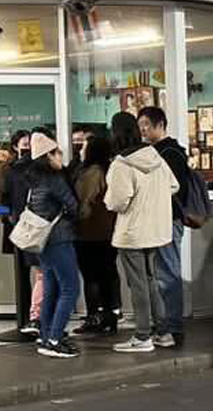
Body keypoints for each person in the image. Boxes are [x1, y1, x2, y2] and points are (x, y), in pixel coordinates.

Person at [105, 112, 179, 353]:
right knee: (151, 282)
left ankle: (142, 335)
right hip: (156, 231)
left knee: (138, 285)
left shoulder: (121, 163)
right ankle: (163, 332)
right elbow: (173, 185)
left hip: (132, 234)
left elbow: (118, 202)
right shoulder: (154, 155)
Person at [137, 107, 191, 347]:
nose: (143, 130)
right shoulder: (153, 151)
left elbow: (173, 188)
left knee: (167, 273)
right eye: (140, 126)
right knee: (161, 272)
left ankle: (173, 326)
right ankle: (166, 325)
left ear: (161, 125)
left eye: (147, 124)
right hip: (158, 220)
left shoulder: (170, 152)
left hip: (168, 219)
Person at [25, 132, 81, 358]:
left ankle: (46, 335)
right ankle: (55, 339)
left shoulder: (34, 179)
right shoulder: (54, 179)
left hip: (43, 242)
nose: (61, 156)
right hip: (59, 239)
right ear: (48, 155)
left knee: (51, 289)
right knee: (70, 289)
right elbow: (73, 206)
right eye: (57, 152)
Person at [73, 133, 121, 335]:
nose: (81, 150)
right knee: (107, 274)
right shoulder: (110, 170)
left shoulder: (91, 173)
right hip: (108, 232)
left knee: (92, 276)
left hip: (89, 233)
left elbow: (84, 204)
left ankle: (95, 316)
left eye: (84, 147)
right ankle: (110, 316)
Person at [0, 129, 44, 335]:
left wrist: (11, 220)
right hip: (38, 226)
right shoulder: (43, 168)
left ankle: (28, 316)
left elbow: (5, 199)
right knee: (43, 273)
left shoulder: (10, 170)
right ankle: (37, 316)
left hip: (19, 227)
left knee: (27, 273)